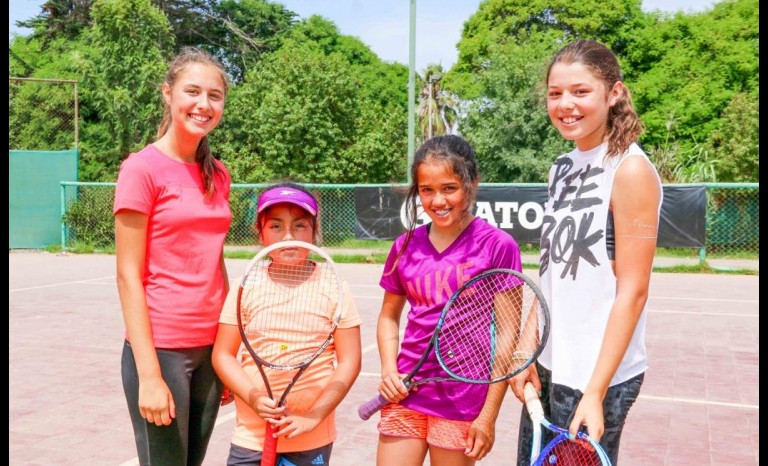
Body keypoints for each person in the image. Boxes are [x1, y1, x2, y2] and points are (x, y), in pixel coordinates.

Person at [507, 39, 663, 465]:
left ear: (613, 93)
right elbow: (551, 274)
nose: (565, 105)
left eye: (580, 91)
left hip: (598, 376)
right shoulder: (561, 167)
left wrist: (595, 392)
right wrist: (528, 353)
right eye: (555, 93)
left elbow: (633, 291)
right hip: (551, 364)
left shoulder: (629, 169)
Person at [114, 47, 232, 466]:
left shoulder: (219, 173)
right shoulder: (141, 169)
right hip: (161, 350)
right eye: (192, 91)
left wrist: (228, 349)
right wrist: (149, 375)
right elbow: (128, 275)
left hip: (211, 350)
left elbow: (215, 260)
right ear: (168, 93)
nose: (204, 104)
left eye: (214, 95)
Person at [374, 135, 522, 466]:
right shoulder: (404, 245)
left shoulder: (498, 245)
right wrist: (388, 371)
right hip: (406, 391)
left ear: (473, 183)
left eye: (449, 188)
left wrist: (488, 415)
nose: (438, 200)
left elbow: (508, 337)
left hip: (462, 397)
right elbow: (388, 316)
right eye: (427, 190)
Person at [212, 183, 362, 466]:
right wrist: (254, 398)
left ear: (314, 231)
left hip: (311, 437)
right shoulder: (246, 287)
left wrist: (315, 416)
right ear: (261, 233)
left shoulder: (334, 287)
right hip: (251, 438)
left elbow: (349, 361)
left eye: (300, 225)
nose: (289, 236)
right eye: (276, 226)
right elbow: (222, 354)